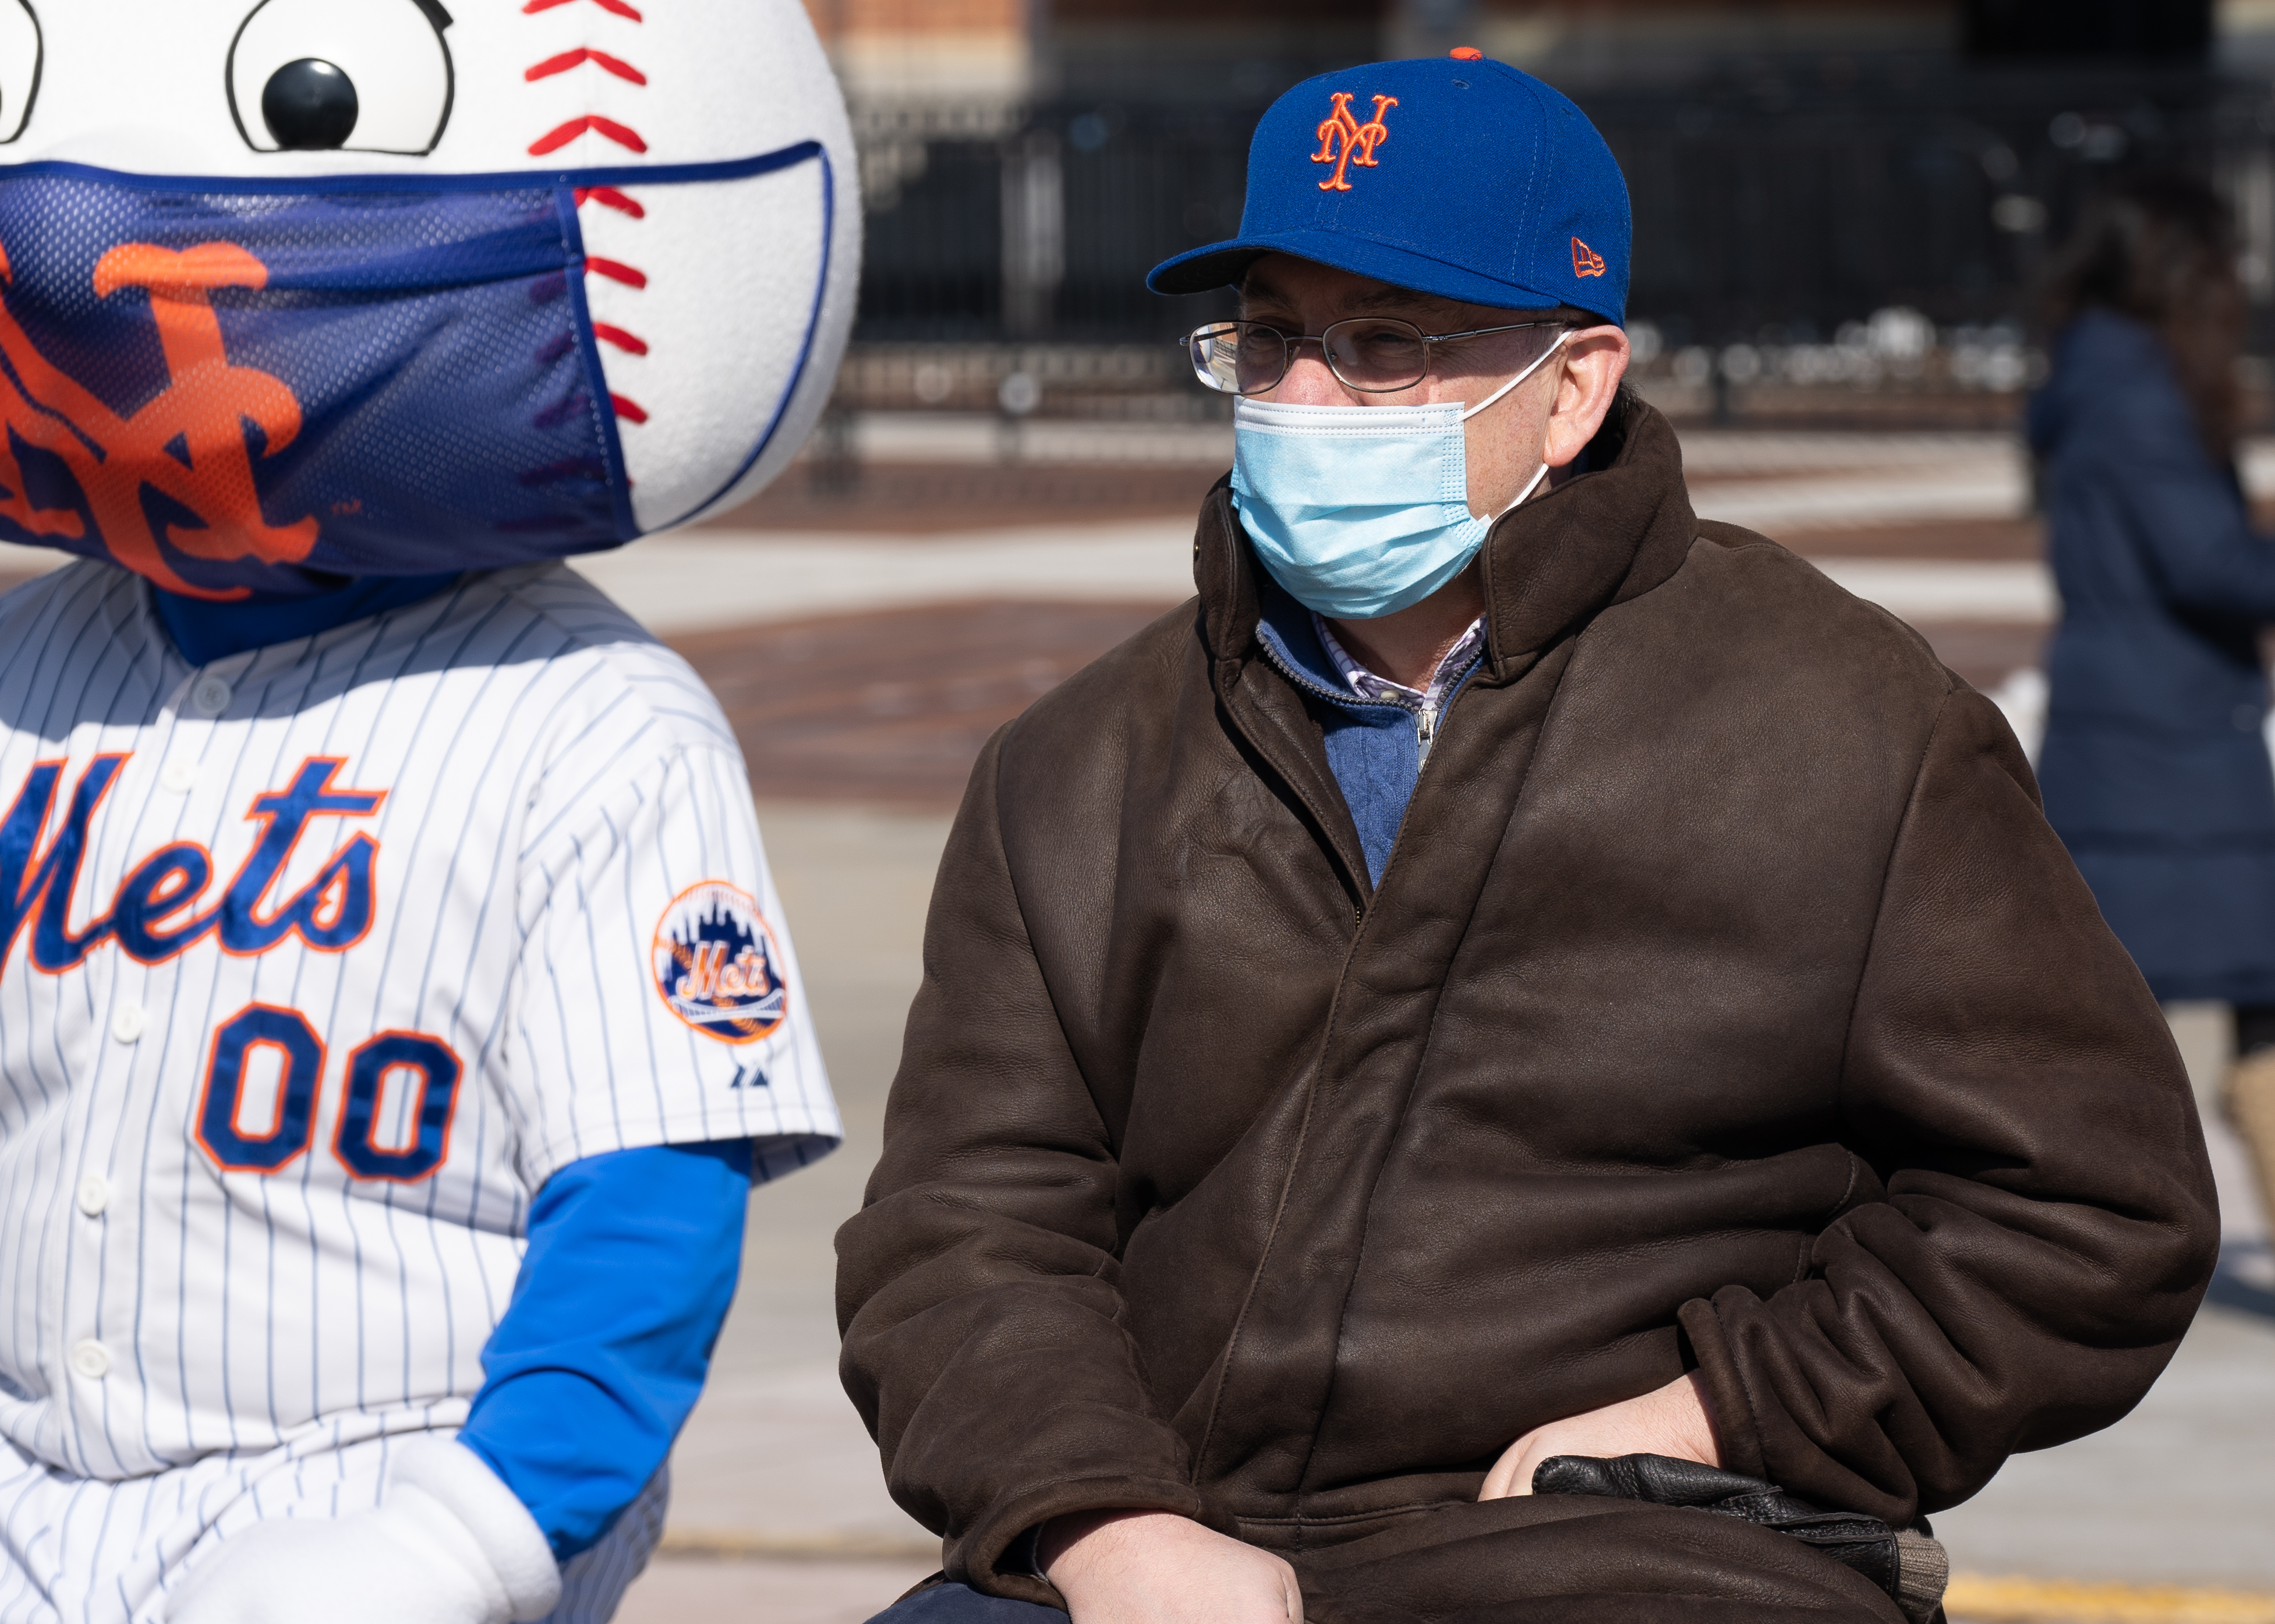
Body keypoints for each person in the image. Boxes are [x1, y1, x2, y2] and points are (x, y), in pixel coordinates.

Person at [834, 53, 2219, 1624]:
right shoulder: (1075, 766)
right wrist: (1100, 1520)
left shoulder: (1848, 727)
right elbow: (964, 1227)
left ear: (1573, 387)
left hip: (1650, 1550)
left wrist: (1723, 1413)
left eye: (1387, 348)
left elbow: (2092, 1206)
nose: (1300, 401)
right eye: (1272, 339)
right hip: (1165, 1549)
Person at [0, 2, 857, 1619]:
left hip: (383, 1490)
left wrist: (468, 1533)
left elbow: (649, 1205)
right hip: (2, 1495)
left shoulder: (601, 725)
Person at [2028, 171, 2275, 1244]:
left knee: (2123, 1012)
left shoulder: (2093, 373)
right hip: (2167, 740)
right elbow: (2210, 562)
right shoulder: (2141, 391)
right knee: (2166, 1013)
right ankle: (2068, 1240)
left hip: (2138, 726)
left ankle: (2078, 1234)